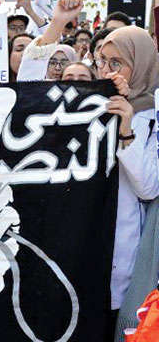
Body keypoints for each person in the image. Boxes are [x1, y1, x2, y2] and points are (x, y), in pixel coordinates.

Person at [95, 26, 159, 341]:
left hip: (125, 244)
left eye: (117, 62)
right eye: (102, 60)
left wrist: (127, 130)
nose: (106, 70)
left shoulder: (152, 115)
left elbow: (149, 186)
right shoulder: (89, 103)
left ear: (142, 63)